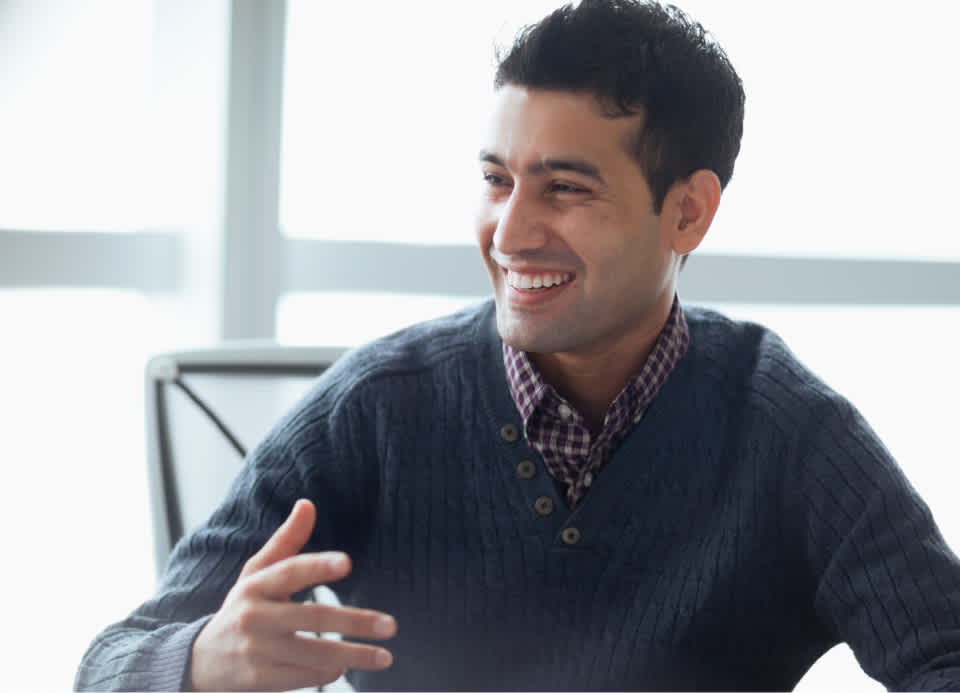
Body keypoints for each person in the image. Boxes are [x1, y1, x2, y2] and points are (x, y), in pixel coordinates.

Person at [76, 1, 960, 690]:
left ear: (688, 210)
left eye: (565, 189)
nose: (510, 231)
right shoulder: (376, 407)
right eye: (497, 180)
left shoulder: (789, 432)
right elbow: (111, 663)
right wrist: (200, 658)